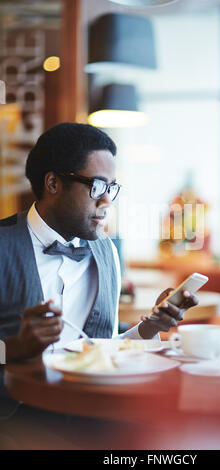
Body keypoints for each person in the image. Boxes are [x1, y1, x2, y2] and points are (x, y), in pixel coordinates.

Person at [0, 122, 198, 362]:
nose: (107, 201)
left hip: (92, 398)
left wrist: (153, 325)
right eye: (97, 186)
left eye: (111, 187)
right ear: (53, 183)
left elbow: (106, 348)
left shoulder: (107, 251)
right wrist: (15, 348)